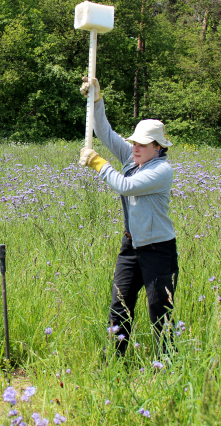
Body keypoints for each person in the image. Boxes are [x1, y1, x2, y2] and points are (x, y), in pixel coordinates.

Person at [77, 77, 178, 357]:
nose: (135, 147)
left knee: (160, 311)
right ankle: (116, 362)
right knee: (119, 306)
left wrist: (98, 162)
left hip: (158, 249)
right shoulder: (133, 159)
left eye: (142, 145)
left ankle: (167, 366)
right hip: (131, 247)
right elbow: (105, 132)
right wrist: (96, 100)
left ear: (158, 147)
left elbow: (125, 185)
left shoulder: (160, 171)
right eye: (134, 142)